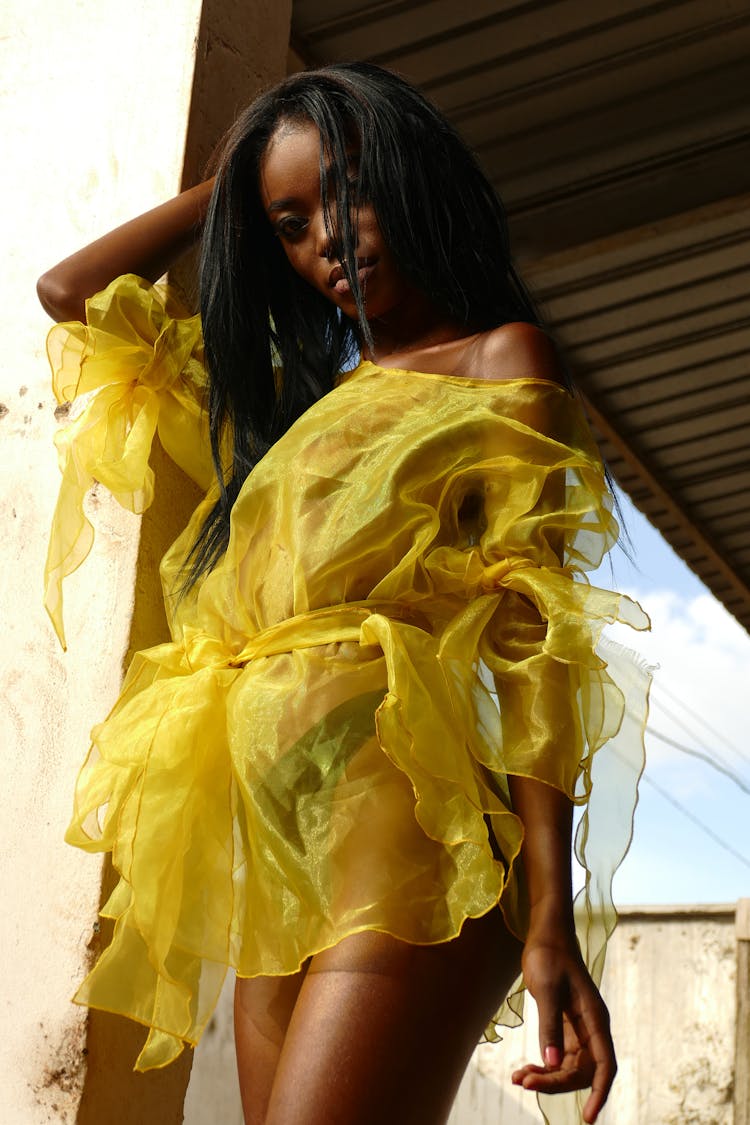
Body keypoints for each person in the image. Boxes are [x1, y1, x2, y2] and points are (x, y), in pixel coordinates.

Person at [37, 62, 650, 1125]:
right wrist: (220, 189)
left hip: (406, 834)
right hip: (277, 852)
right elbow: (68, 295)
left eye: (348, 189)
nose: (326, 234)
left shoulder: (498, 361)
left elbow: (530, 630)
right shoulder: (298, 408)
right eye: (287, 221)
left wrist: (553, 914)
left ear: (414, 179)